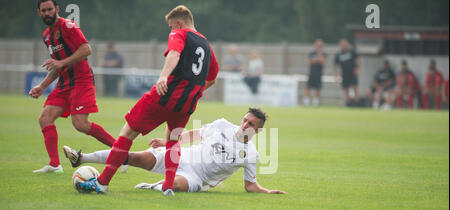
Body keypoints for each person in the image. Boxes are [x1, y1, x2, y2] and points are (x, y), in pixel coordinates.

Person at [78, 5, 219, 196]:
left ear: (178, 23)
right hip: (186, 104)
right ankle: (168, 186)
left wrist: (163, 77)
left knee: (127, 133)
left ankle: (102, 182)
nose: (171, 30)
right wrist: (194, 91)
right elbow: (212, 77)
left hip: (166, 95)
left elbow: (174, 54)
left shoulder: (179, 34)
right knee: (172, 141)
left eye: (171, 27)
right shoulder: (206, 45)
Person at [64, 109, 285, 194]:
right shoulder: (222, 125)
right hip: (182, 156)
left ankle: (152, 186)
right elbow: (194, 134)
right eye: (245, 120)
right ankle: (81, 158)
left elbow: (249, 185)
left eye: (251, 124)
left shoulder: (252, 155)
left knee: (177, 186)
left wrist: (267, 192)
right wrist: (167, 141)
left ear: (258, 130)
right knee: (133, 157)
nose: (245, 125)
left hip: (197, 178)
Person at [29, 0, 116, 174]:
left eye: (50, 9)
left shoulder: (68, 26)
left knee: (81, 124)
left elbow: (86, 49)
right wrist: (42, 85)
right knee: (45, 118)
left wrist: (61, 62)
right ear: (39, 12)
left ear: (57, 10)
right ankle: (55, 165)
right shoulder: (47, 35)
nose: (47, 13)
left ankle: (121, 150)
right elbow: (57, 66)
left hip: (81, 80)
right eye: (44, 10)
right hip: (64, 84)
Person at [334, 39, 360, 106]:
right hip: (344, 73)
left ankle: (356, 103)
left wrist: (357, 68)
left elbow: (358, 59)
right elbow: (336, 64)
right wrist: (336, 74)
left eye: (345, 44)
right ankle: (348, 103)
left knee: (355, 87)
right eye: (342, 44)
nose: (343, 46)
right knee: (346, 88)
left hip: (352, 73)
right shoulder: (339, 54)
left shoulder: (352, 51)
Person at [303, 39, 326, 107]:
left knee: (317, 88)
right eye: (318, 45)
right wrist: (317, 60)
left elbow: (323, 61)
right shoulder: (311, 53)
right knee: (308, 87)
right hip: (311, 73)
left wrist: (318, 56)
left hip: (319, 74)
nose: (319, 47)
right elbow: (310, 61)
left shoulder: (323, 54)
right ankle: (306, 103)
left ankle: (316, 103)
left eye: (320, 45)